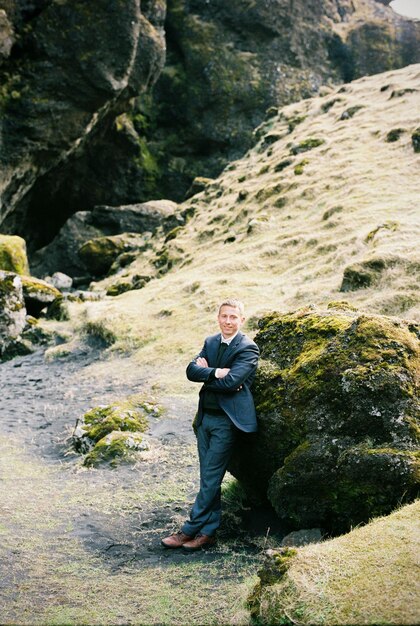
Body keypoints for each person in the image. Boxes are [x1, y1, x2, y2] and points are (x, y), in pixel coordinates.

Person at [161, 298, 259, 551]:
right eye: (224, 316)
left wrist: (208, 375)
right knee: (208, 478)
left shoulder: (248, 348)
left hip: (227, 423)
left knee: (211, 477)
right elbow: (191, 372)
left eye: (233, 317)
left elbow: (232, 383)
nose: (228, 321)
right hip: (204, 418)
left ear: (241, 320)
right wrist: (217, 372)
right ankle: (208, 532)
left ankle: (188, 530)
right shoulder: (211, 342)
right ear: (218, 318)